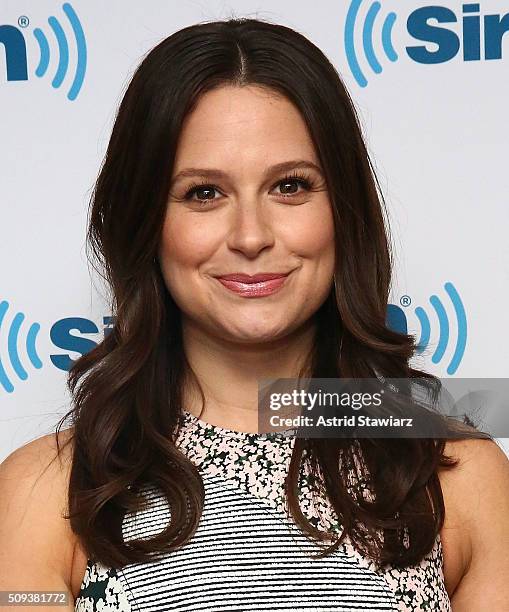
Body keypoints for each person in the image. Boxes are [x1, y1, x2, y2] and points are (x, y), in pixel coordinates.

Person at [1, 16, 509, 612]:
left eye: (290, 186)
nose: (251, 235)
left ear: (344, 210)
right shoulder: (44, 492)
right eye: (203, 193)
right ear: (146, 222)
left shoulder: (457, 475)